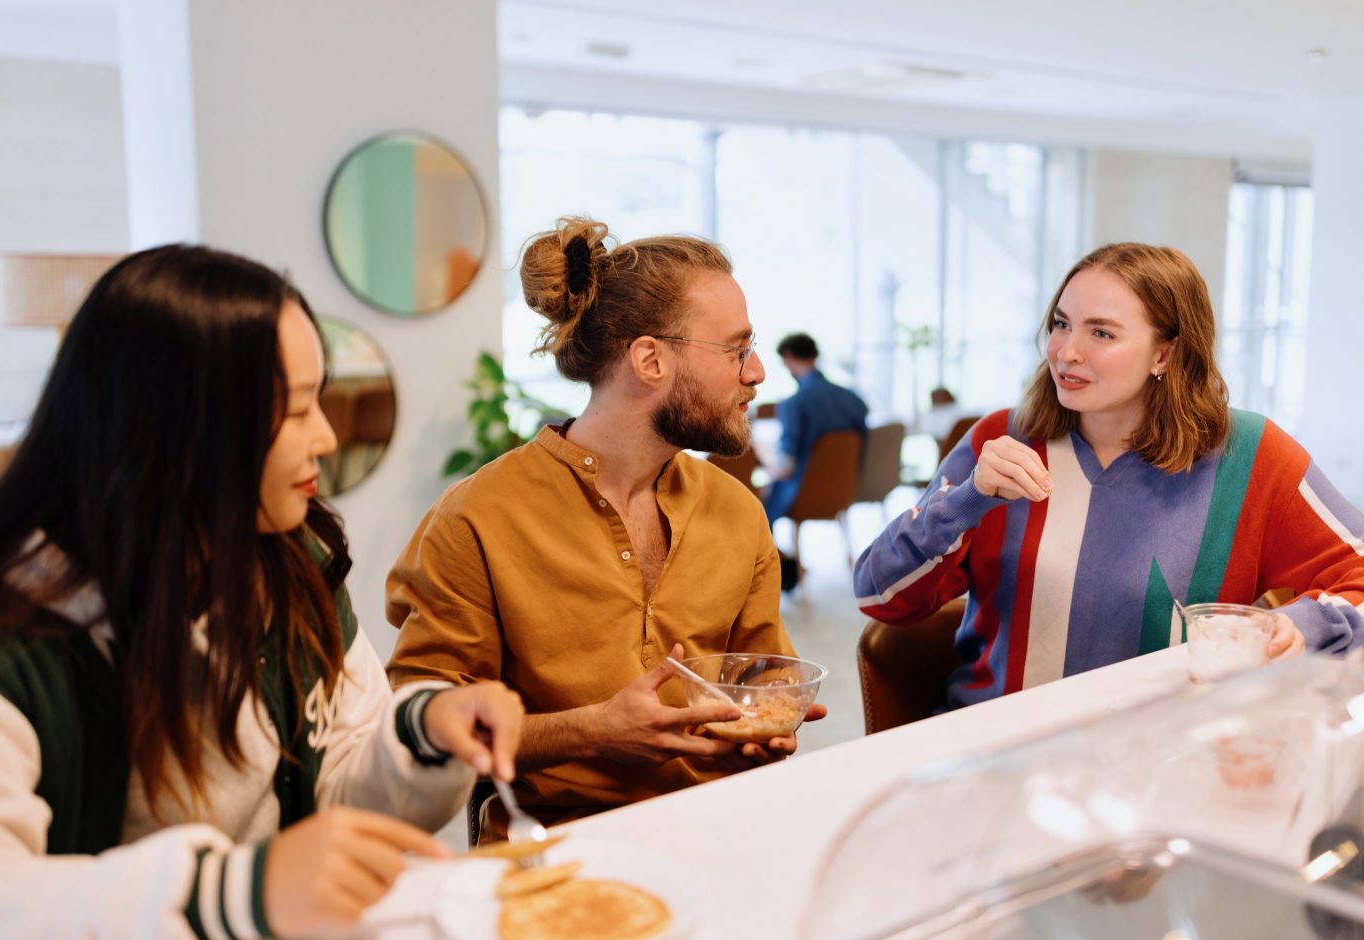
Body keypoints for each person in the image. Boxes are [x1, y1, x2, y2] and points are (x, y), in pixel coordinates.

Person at [0, 245, 524, 940]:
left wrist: (423, 732)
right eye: (296, 409)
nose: (328, 437)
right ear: (180, 428)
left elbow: (337, 786)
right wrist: (234, 891)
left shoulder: (293, 567)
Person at [386, 217, 824, 838]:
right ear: (649, 359)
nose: (756, 372)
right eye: (735, 348)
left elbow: (764, 670)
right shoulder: (477, 519)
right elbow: (419, 726)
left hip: (723, 826)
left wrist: (762, 721)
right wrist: (593, 730)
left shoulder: (736, 510)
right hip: (555, 847)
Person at [854, 242, 1364, 709]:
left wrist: (1300, 626)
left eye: (1101, 332)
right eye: (1061, 323)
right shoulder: (1001, 440)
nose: (1066, 352)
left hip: (1164, 757)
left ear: (1165, 353)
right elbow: (878, 596)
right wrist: (966, 501)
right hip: (996, 754)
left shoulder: (1249, 455)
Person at [762, 332, 869, 527]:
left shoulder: (793, 405)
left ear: (788, 357)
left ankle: (766, 554)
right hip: (844, 492)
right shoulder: (854, 400)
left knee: (757, 495)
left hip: (801, 493)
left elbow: (786, 467)